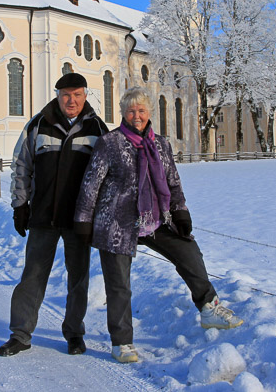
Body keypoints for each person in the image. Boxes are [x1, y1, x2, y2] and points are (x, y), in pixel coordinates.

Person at [74, 87, 243, 363]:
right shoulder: (110, 143)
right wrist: (83, 221)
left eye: (141, 110)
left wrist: (181, 212)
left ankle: (209, 307)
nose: (136, 116)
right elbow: (90, 185)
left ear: (149, 112)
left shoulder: (161, 144)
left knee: (189, 252)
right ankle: (122, 342)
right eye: (131, 111)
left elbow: (173, 183)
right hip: (117, 222)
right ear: (123, 113)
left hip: (155, 218)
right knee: (119, 284)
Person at [0, 72, 109, 357]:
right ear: (58, 96)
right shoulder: (38, 124)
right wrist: (20, 205)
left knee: (78, 279)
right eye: (66, 95)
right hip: (43, 215)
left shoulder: (97, 128)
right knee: (33, 276)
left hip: (79, 219)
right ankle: (20, 334)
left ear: (85, 95)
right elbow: (22, 164)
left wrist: (102, 215)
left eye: (77, 95)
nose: (72, 101)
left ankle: (74, 333)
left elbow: (108, 175)